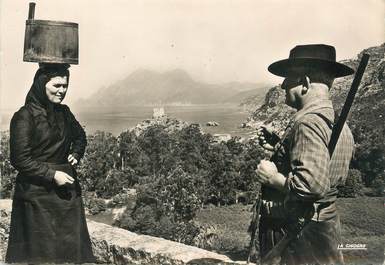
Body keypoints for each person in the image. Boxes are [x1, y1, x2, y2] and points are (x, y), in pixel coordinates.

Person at [255, 44, 355, 265]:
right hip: (324, 230)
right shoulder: (339, 124)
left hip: (297, 237)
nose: (282, 85)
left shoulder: (307, 123)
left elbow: (312, 185)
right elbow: (324, 168)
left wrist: (272, 177)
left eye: (288, 78)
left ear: (305, 83)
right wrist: (281, 149)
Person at [5, 63, 95, 264]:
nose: (62, 91)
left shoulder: (64, 112)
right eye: (56, 86)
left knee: (68, 253)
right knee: (41, 255)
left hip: (66, 194)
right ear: (41, 84)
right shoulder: (24, 116)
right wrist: (52, 175)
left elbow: (80, 136)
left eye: (65, 86)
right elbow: (20, 159)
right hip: (36, 194)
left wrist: (76, 153)